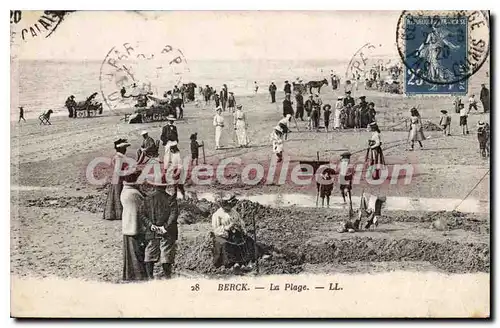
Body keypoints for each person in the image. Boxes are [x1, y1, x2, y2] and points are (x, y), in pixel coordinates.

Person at [143, 175, 179, 279]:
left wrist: (151, 225)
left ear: (154, 185)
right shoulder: (170, 199)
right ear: (165, 186)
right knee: (166, 253)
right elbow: (174, 215)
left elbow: (141, 214)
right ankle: (167, 277)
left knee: (150, 251)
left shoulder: (147, 199)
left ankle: (150, 277)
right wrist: (165, 227)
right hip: (167, 232)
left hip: (152, 230)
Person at [211, 194, 257, 269]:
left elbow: (241, 221)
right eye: (229, 205)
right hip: (224, 235)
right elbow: (216, 230)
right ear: (223, 204)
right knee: (226, 245)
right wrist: (227, 227)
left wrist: (240, 226)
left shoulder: (234, 212)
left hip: (235, 233)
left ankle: (247, 260)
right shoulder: (217, 215)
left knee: (247, 241)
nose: (231, 207)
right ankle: (233, 263)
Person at [121, 170, 147, 281]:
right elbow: (143, 209)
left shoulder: (125, 191)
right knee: (138, 254)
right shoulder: (134, 194)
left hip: (128, 226)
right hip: (135, 227)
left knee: (130, 255)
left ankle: (130, 276)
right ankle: (139, 277)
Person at [104, 138, 131, 221]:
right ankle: (119, 215)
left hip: (117, 179)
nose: (126, 149)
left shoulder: (118, 156)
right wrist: (129, 172)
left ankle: (114, 214)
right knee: (118, 196)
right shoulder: (119, 158)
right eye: (124, 148)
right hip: (119, 180)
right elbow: (118, 171)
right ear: (121, 149)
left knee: (116, 196)